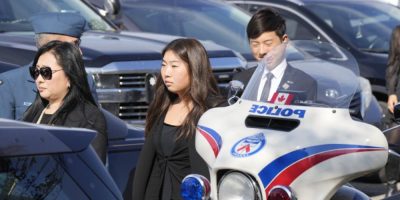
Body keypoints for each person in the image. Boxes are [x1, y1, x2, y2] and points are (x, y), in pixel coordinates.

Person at [132, 38, 225, 200]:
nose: (166, 73)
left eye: (174, 66)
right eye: (163, 65)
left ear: (195, 68)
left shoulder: (214, 111)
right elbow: (147, 164)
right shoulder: (162, 105)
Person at [0, 12, 97, 120]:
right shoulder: (10, 83)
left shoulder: (85, 80)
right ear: (52, 46)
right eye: (74, 45)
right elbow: (5, 132)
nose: (80, 52)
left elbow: (94, 123)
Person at [22, 41, 107, 163]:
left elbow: (90, 170)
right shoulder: (32, 112)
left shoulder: (88, 118)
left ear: (70, 77)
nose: (39, 79)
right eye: (36, 72)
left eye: (46, 72)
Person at [233, 8, 317, 102]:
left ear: (284, 40)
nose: (262, 51)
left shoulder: (303, 82)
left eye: (268, 43)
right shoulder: (241, 80)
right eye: (255, 44)